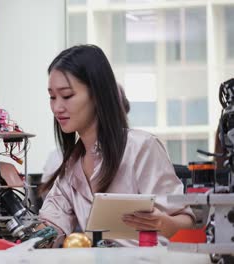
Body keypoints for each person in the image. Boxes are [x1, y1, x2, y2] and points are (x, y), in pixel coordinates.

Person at [38, 45, 194, 246]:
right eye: (52, 97)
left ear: (97, 95)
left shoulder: (141, 148)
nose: (57, 107)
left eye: (67, 95)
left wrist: (161, 222)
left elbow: (187, 223)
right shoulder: (71, 165)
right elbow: (51, 224)